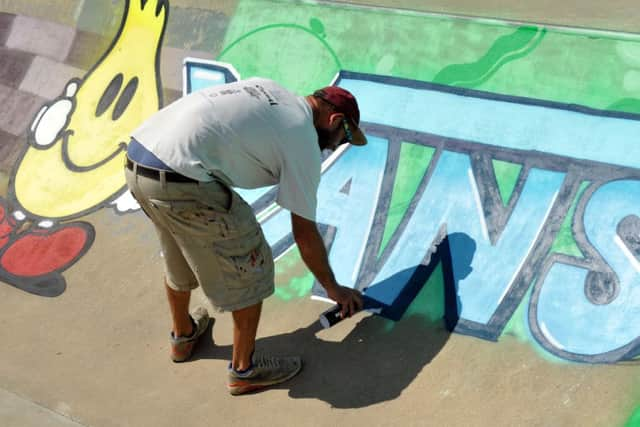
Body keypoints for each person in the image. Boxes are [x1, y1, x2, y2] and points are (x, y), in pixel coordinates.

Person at [124, 77, 366, 395]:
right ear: (334, 120)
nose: (337, 145)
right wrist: (334, 289)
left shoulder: (272, 90)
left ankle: (183, 337)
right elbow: (304, 232)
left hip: (137, 161)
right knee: (251, 264)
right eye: (343, 136)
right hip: (183, 178)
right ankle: (244, 370)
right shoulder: (303, 141)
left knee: (177, 249)